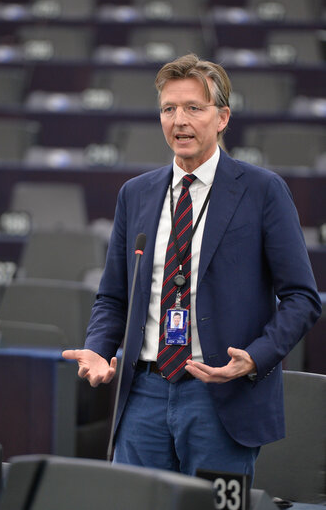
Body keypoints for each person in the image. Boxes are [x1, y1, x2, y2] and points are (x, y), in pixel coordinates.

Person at [63, 54, 321, 480]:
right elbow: (113, 295)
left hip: (220, 393)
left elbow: (302, 298)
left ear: (222, 118)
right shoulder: (136, 194)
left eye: (193, 108)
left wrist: (255, 359)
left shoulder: (262, 190)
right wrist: (98, 346)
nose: (178, 120)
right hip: (142, 392)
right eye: (169, 109)